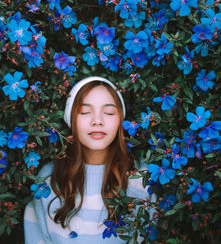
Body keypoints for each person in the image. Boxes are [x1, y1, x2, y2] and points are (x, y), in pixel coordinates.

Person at [24, 76, 152, 243]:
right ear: (71, 119)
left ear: (121, 120)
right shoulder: (49, 178)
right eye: (85, 112)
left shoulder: (140, 176)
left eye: (109, 112)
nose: (97, 121)